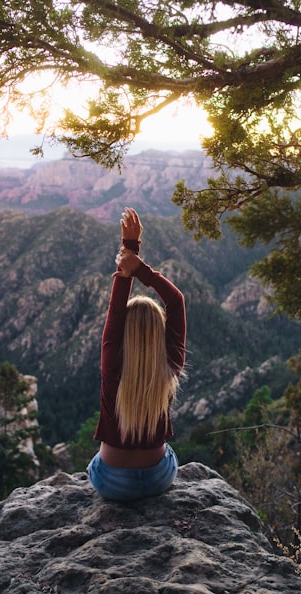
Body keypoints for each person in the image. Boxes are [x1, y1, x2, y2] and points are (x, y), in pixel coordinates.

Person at [88, 207, 187, 502]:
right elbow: (176, 300)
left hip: (111, 482)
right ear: (160, 333)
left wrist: (128, 255)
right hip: (159, 478)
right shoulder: (170, 363)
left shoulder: (113, 361)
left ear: (123, 335)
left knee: (93, 464)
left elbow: (115, 311)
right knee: (170, 454)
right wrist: (139, 266)